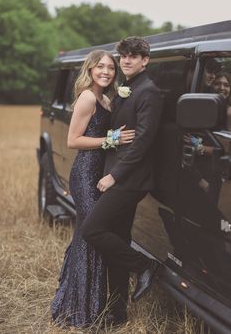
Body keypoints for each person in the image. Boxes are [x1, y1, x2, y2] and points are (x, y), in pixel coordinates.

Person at [50, 50, 135, 328]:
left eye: (111, 68)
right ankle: (79, 311)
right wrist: (110, 139)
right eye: (101, 67)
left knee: (91, 237)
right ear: (90, 69)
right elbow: (74, 140)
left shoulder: (106, 98)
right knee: (91, 235)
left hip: (99, 173)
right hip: (85, 174)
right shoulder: (88, 96)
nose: (106, 72)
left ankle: (88, 305)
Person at [82, 37, 163, 326]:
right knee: (118, 239)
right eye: (124, 56)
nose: (127, 60)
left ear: (145, 61)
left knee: (91, 229)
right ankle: (116, 314)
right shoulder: (126, 90)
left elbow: (142, 143)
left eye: (134, 56)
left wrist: (114, 175)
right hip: (118, 172)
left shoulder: (149, 92)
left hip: (131, 179)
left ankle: (145, 266)